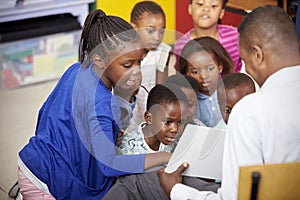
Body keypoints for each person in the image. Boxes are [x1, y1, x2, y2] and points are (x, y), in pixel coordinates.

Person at [17, 9, 171, 199]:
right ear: (99, 59)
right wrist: (164, 157)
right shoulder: (101, 103)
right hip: (45, 181)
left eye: (139, 61)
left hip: (36, 157)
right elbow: (108, 165)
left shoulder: (77, 69)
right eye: (127, 64)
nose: (136, 71)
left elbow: (45, 114)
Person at [158, 5, 300, 200]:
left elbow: (235, 198)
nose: (246, 69)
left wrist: (175, 190)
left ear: (257, 55)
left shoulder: (249, 112)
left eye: (245, 61)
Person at [124, 1, 172, 134]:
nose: (157, 37)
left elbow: (161, 89)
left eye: (161, 31)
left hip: (149, 109)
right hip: (129, 108)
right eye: (150, 31)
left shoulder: (162, 53)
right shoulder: (124, 52)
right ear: (134, 28)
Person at [176, 36, 234, 127]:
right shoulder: (188, 102)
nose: (203, 76)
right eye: (195, 72)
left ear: (220, 67)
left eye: (210, 69)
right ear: (187, 72)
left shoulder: (230, 94)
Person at [118, 83, 188, 155]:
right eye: (168, 122)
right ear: (149, 118)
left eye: (180, 123)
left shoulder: (175, 142)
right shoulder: (128, 149)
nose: (175, 129)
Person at [173, 0, 242, 72]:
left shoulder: (235, 36)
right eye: (200, 4)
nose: (206, 9)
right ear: (190, 8)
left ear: (221, 13)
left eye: (213, 6)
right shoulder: (180, 45)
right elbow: (181, 76)